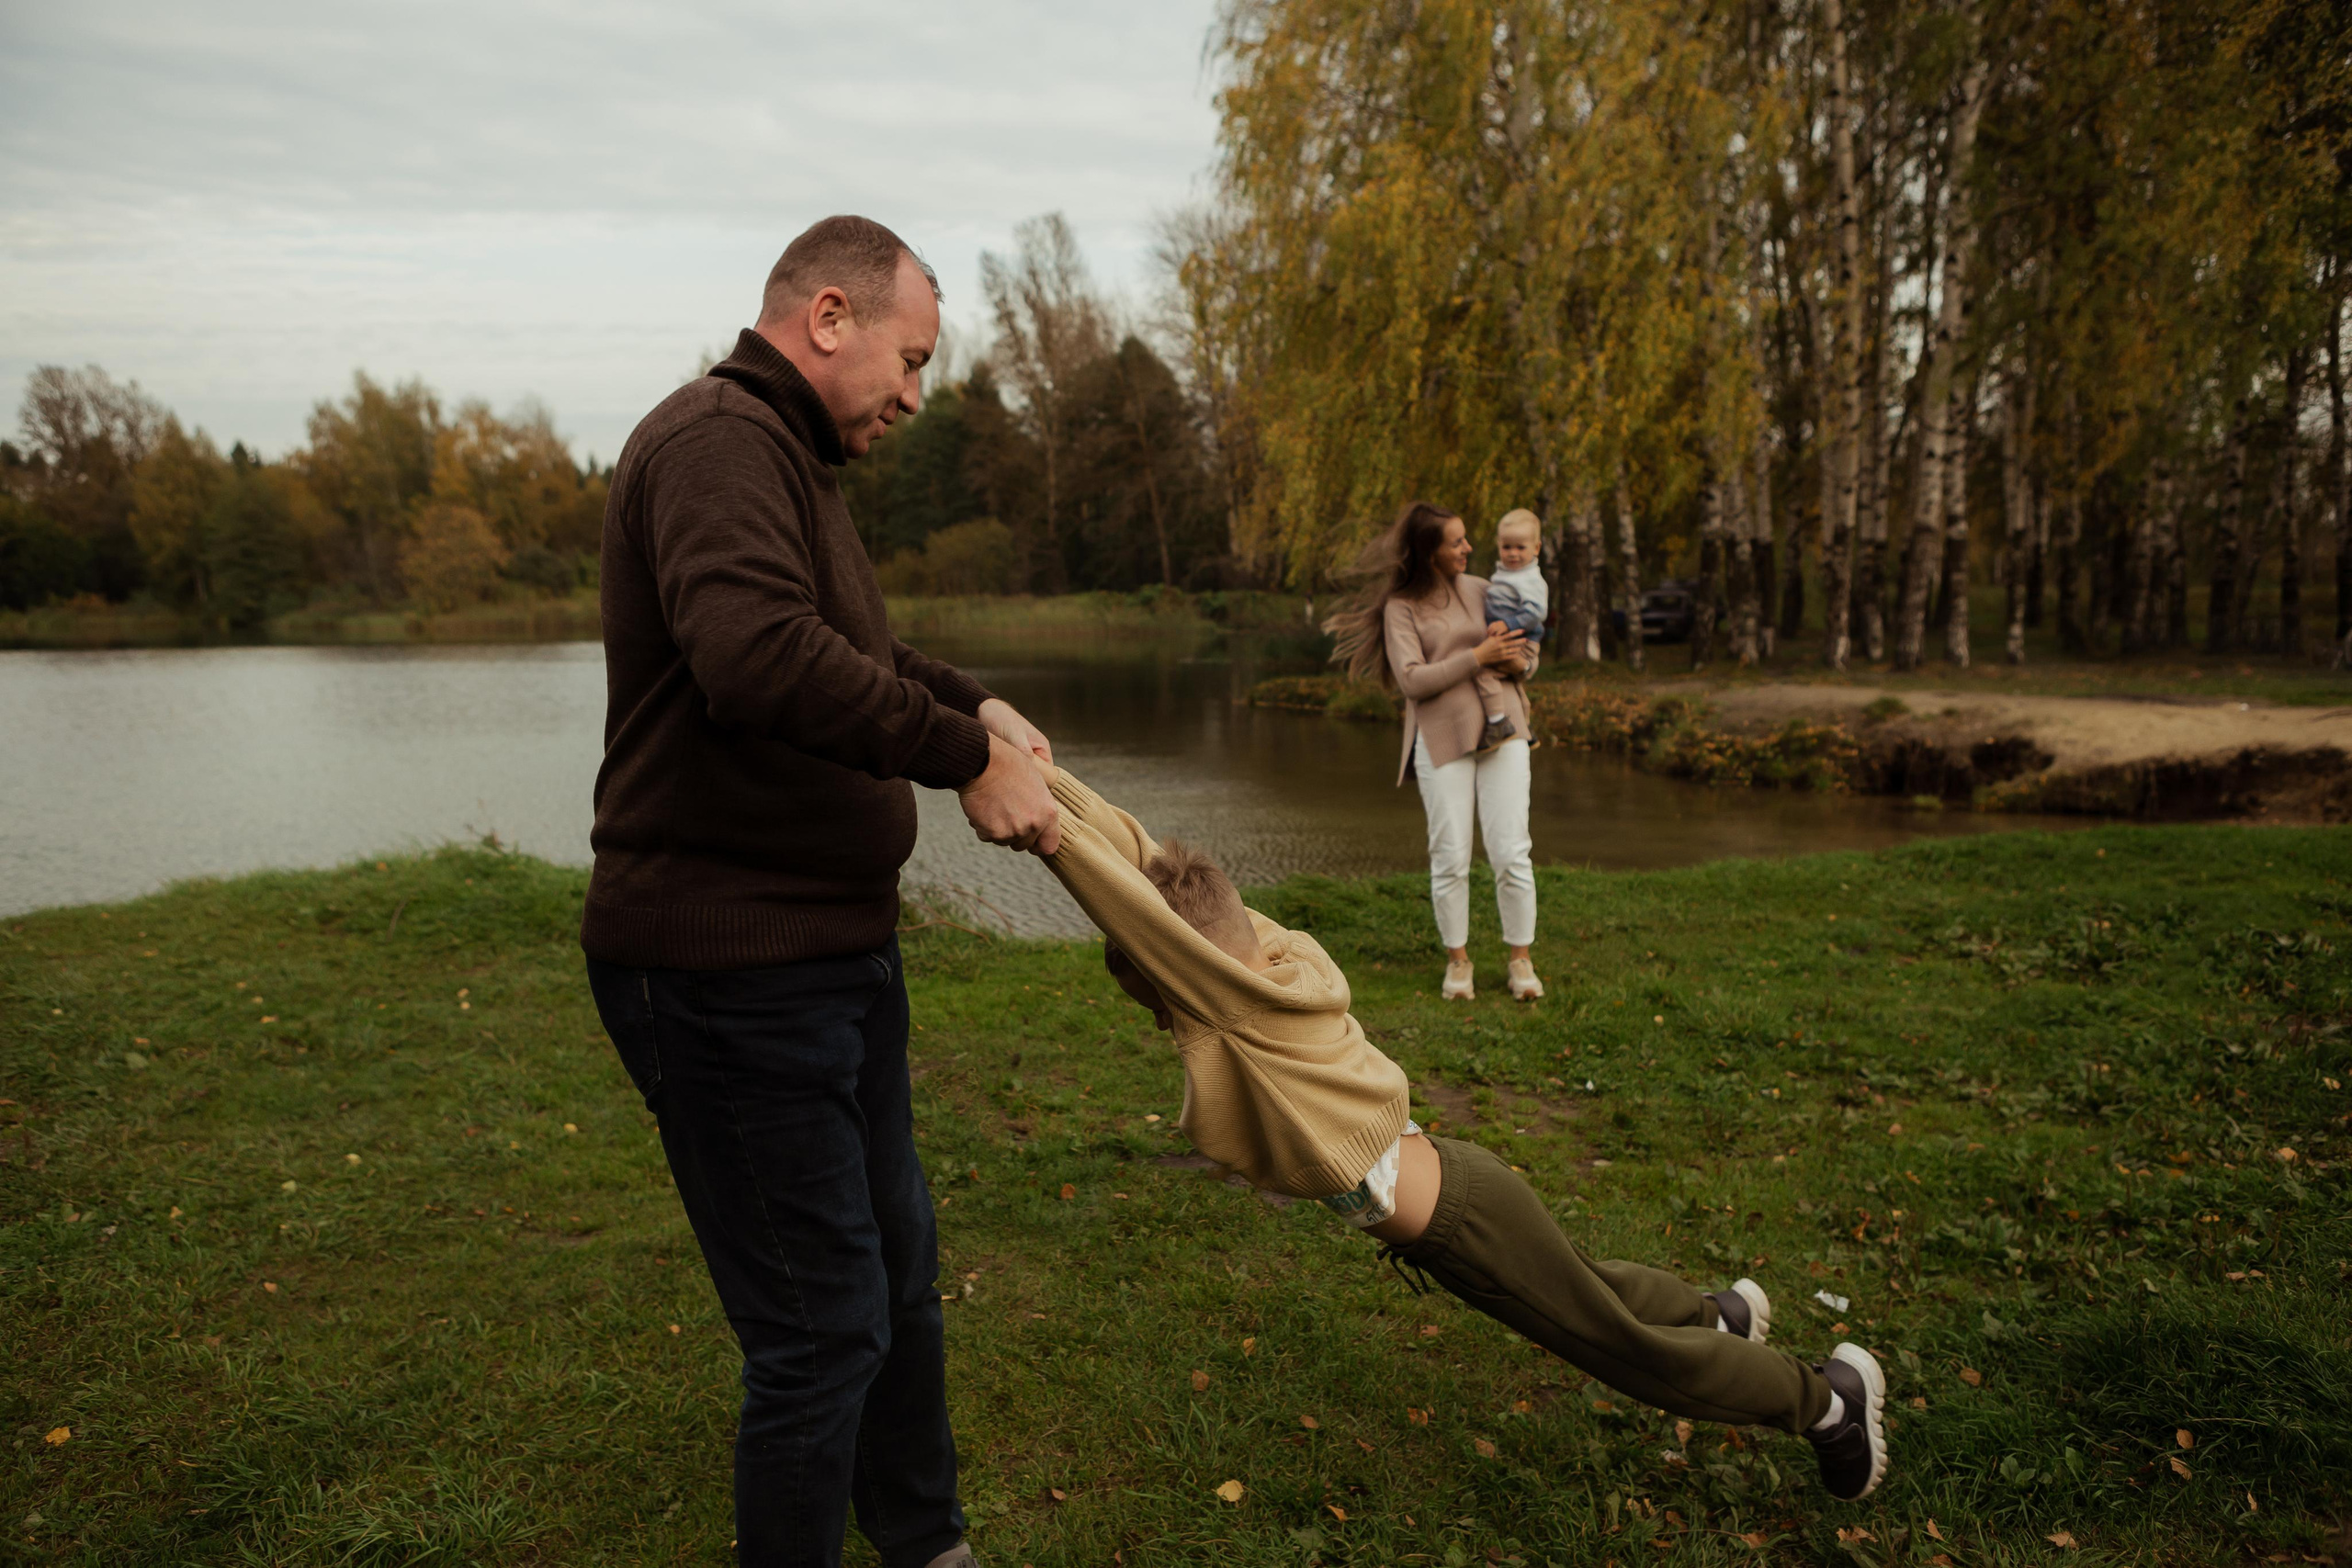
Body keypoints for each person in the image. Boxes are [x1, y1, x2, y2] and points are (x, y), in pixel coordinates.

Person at [581, 215, 1058, 1568]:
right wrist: (961, 758)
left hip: (832, 953)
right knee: (820, 1328)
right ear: (829, 316)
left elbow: (857, 649)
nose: (916, 395)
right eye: (912, 360)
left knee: (896, 1277)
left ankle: (925, 1544)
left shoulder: (789, 458)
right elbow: (757, 655)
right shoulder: (716, 442)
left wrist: (974, 702)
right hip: (727, 970)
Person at [1034, 761, 1892, 1502]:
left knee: (1626, 1350)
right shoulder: (1277, 956)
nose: (1163, 1021)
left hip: (1462, 1227)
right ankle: (1724, 1314)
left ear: (1191, 977)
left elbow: (1139, 914)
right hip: (1462, 1181)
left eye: (1159, 1004)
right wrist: (1039, 773)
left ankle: (1829, 1402)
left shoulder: (1238, 1013)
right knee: (1589, 1285)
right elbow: (1145, 863)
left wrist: (1043, 828)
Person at [1326, 502, 1540, 1003]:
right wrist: (1478, 656)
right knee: (1450, 857)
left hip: (1505, 730)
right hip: (1442, 740)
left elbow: (1529, 657)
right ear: (1429, 552)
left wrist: (1514, 662)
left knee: (1512, 852)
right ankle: (1458, 961)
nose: (1469, 548)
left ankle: (1520, 959)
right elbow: (1413, 681)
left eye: (1466, 538)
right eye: (1457, 541)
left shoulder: (1485, 588)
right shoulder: (1401, 608)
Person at [1475, 509, 1550, 750]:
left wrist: (1508, 624)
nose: (1513, 553)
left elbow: (1537, 612)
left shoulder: (1530, 579)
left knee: (1483, 672)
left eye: (1520, 547)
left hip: (1521, 640)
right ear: (1498, 545)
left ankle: (1498, 723)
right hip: (1512, 637)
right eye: (1507, 547)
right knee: (1512, 683)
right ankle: (1526, 729)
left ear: (1536, 549)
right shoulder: (1508, 573)